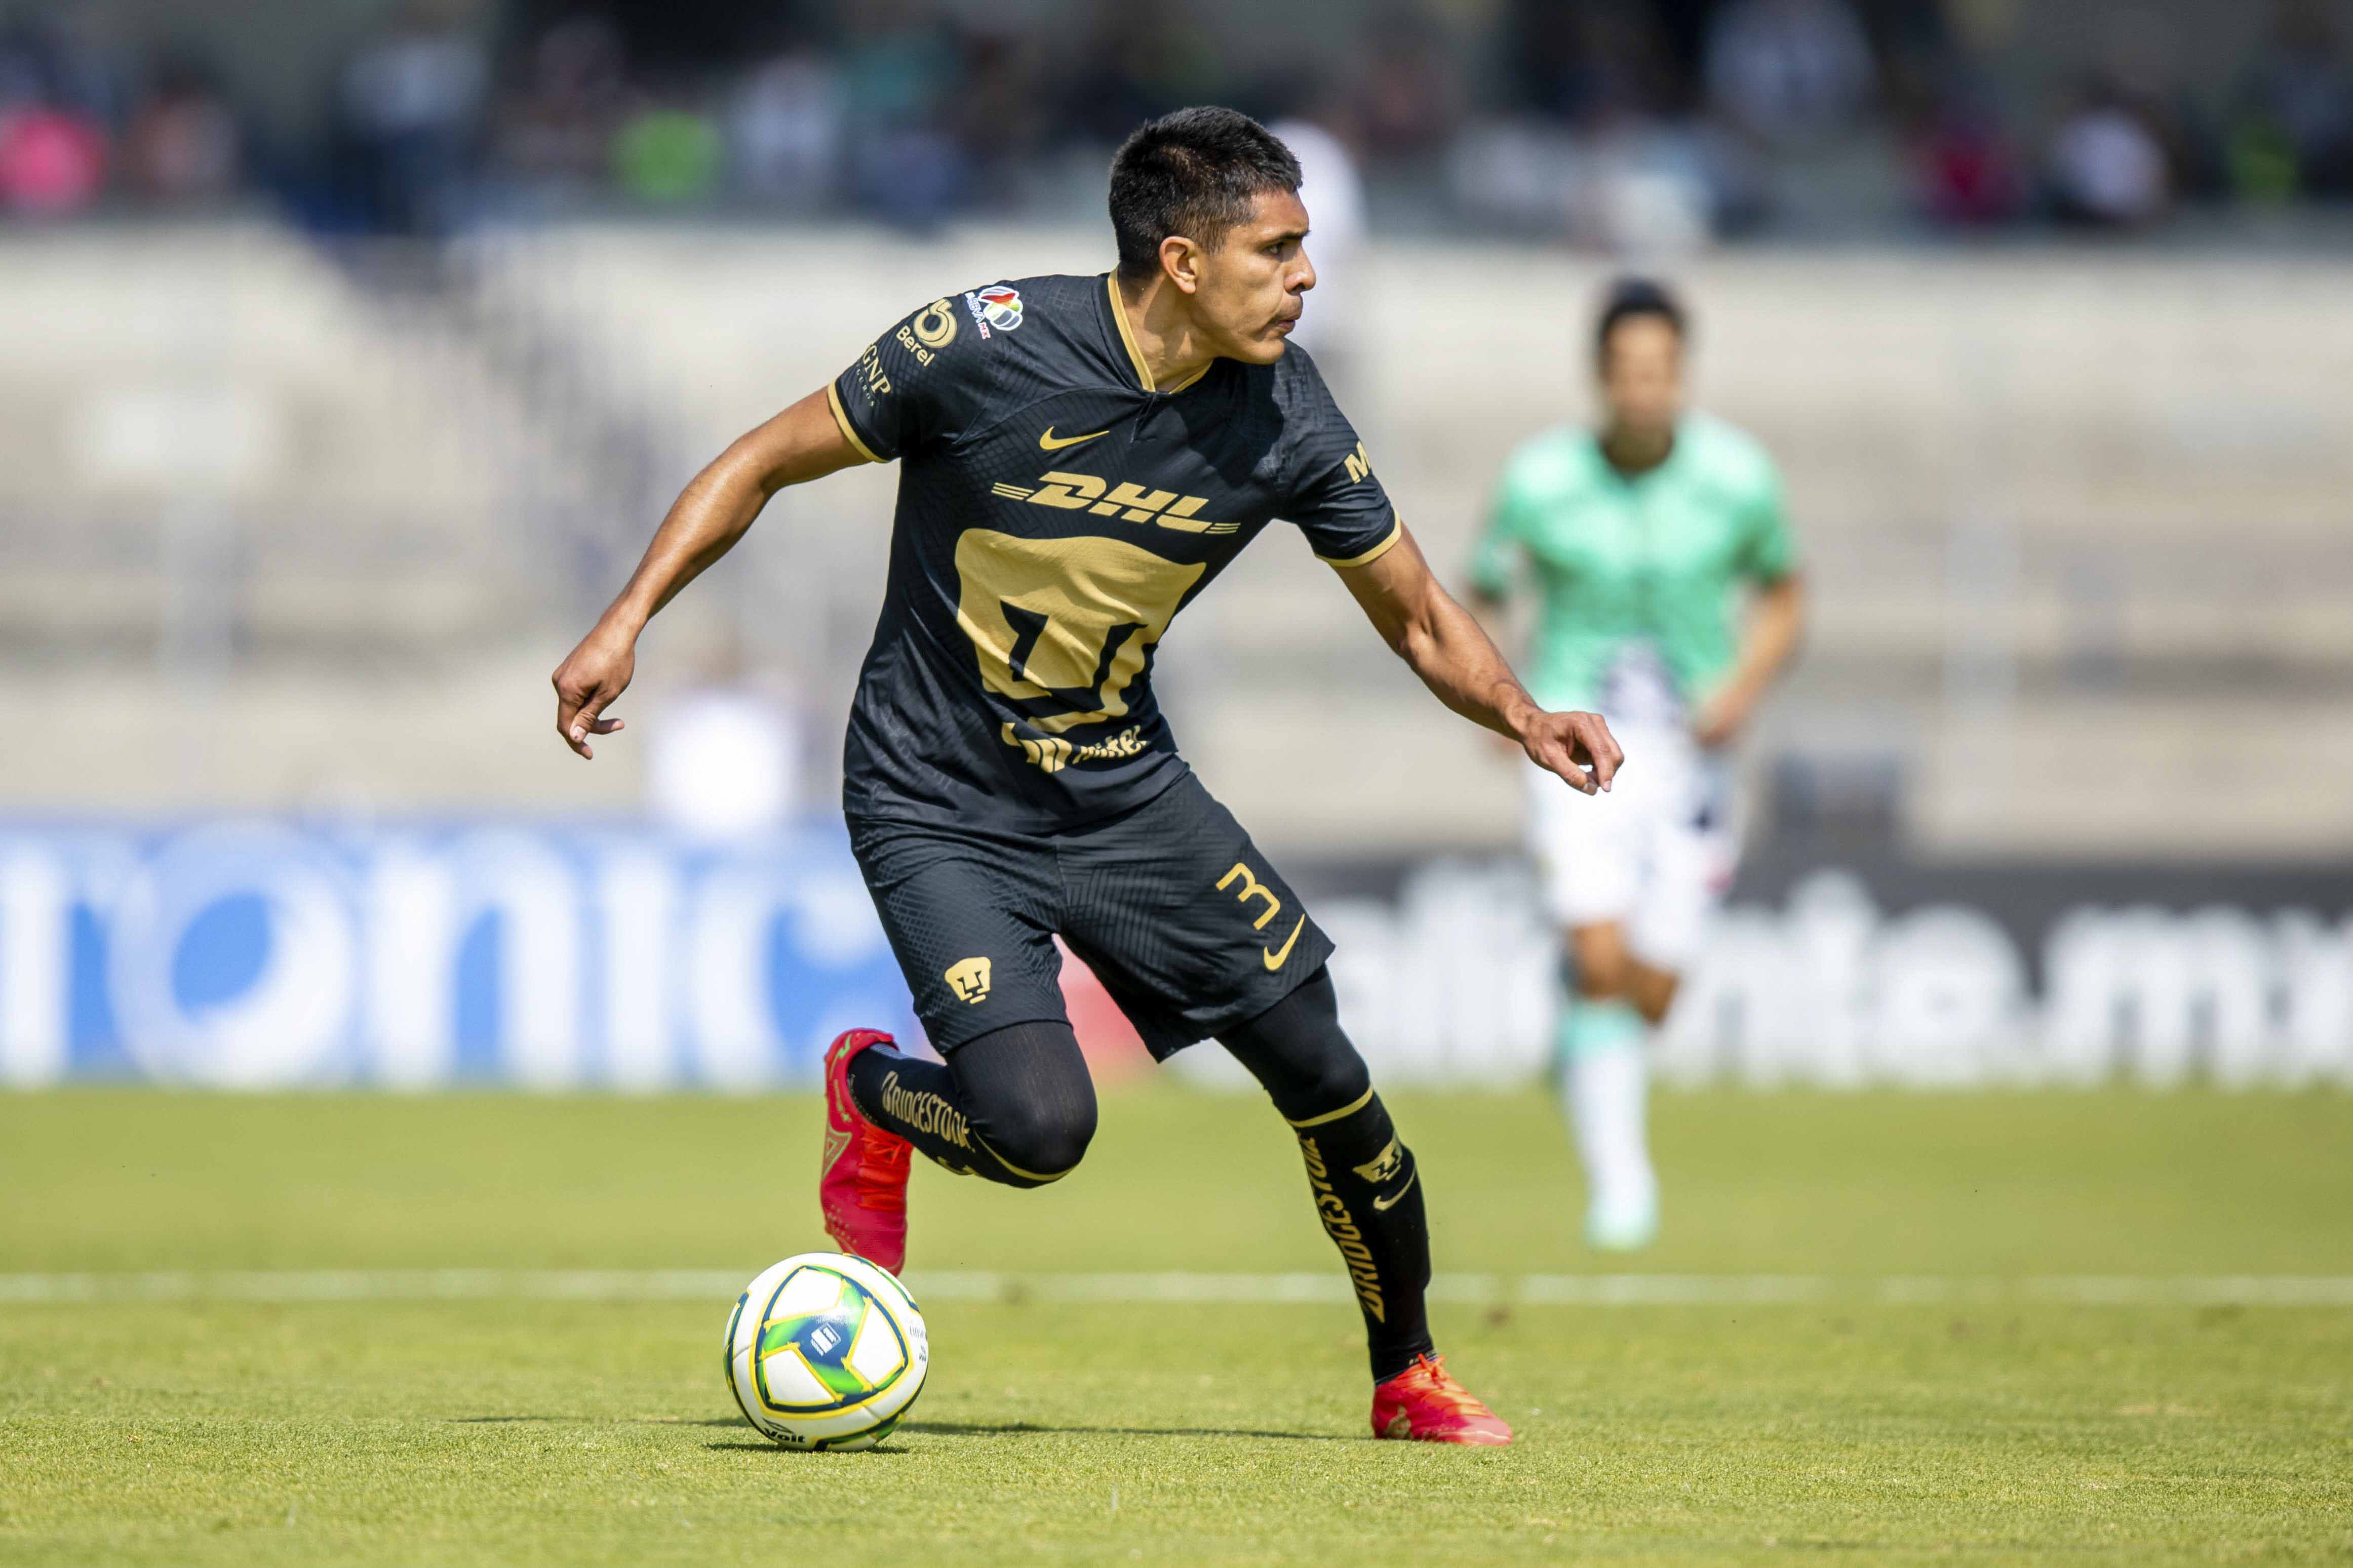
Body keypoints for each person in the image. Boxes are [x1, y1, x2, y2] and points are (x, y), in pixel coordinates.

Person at [551, 107, 1621, 1445]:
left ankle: (1407, 1374)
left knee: (1323, 1068)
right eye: (1277, 250)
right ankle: (872, 1091)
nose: (1306, 276)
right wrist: (626, 620)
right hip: (936, 797)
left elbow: (1413, 613)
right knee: (1039, 1130)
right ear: (1181, 259)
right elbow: (762, 459)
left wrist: (1519, 712)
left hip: (1122, 793)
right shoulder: (982, 344)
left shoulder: (1287, 409)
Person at [1469, 278, 1803, 1252]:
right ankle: (1622, 1186)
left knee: (1652, 985)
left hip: (1693, 753)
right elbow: (1482, 588)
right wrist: (1501, 701)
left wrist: (1743, 686)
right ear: (1599, 374)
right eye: (1626, 370)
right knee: (1599, 957)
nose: (1643, 389)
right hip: (1577, 742)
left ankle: (1580, 1046)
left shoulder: (1737, 476)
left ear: (1681, 373)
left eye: (1659, 370)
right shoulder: (1541, 477)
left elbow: (1784, 593)